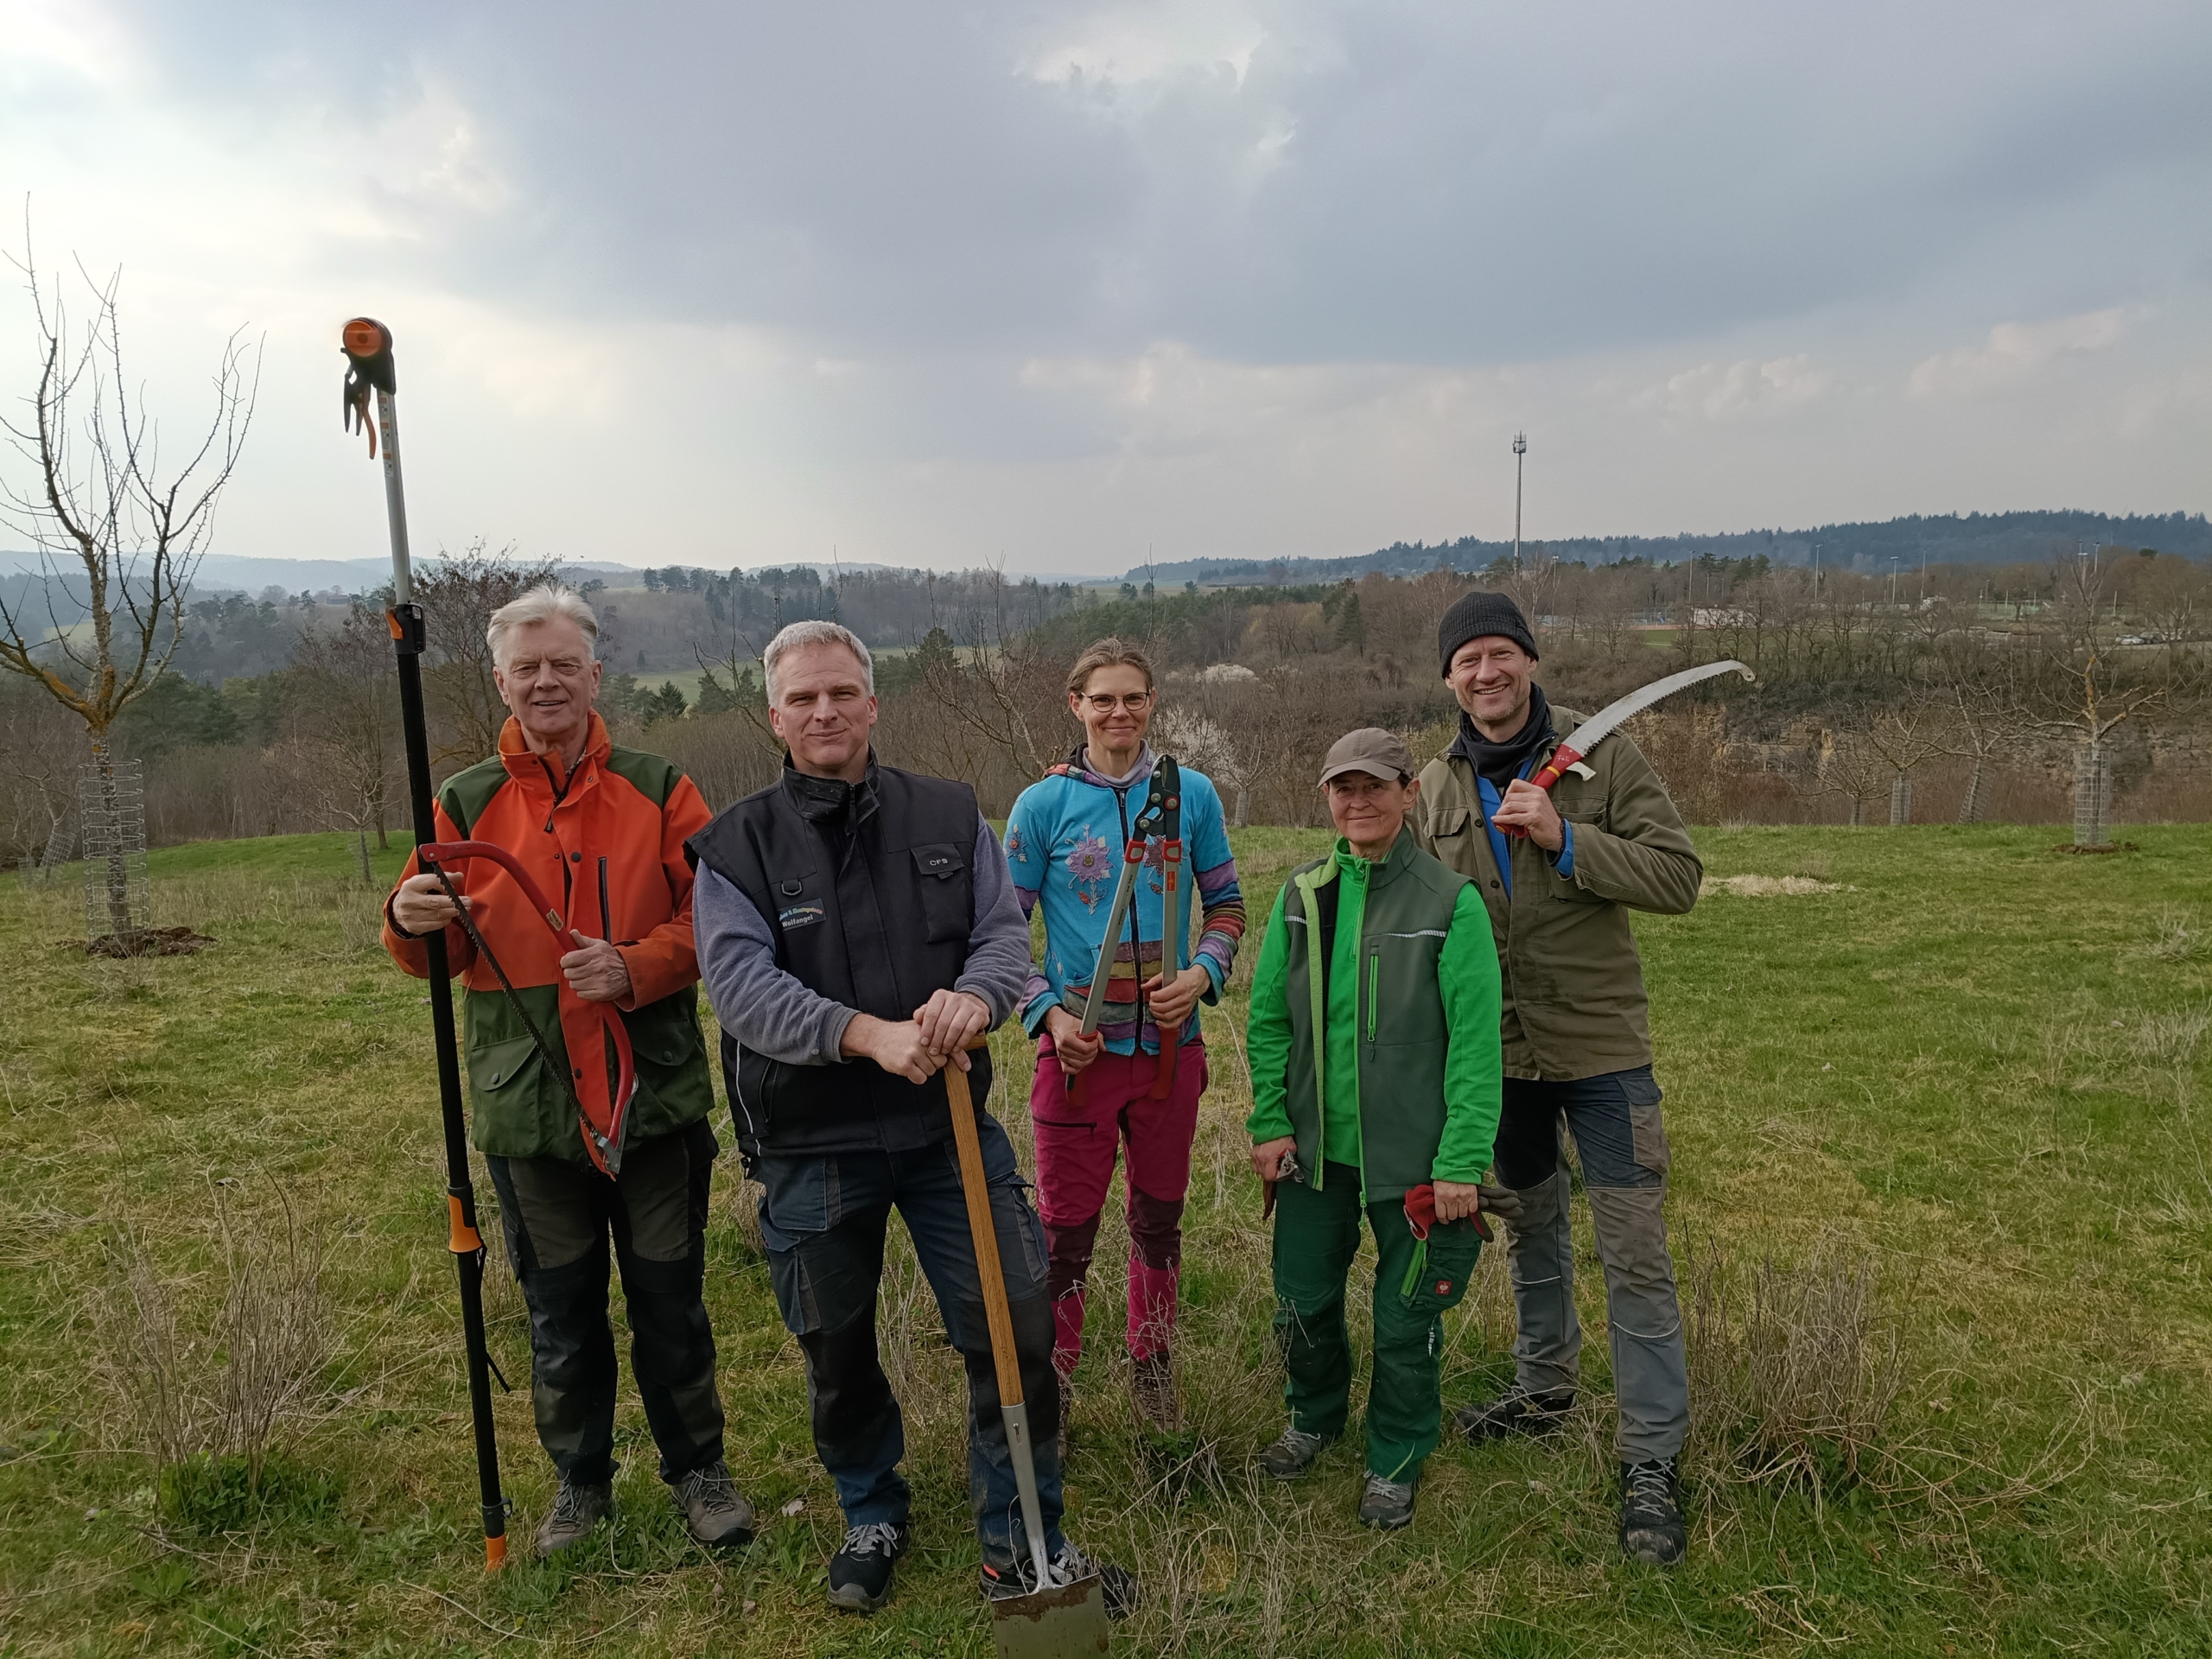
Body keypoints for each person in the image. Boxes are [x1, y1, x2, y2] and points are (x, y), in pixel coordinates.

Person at [686, 620, 1134, 1618]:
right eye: (803, 699)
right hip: (811, 1141)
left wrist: (976, 999)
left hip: (945, 1137)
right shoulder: (735, 847)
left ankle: (1019, 1539)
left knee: (1013, 1326)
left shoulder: (949, 815)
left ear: (873, 703)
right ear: (775, 716)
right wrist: (867, 1037)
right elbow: (743, 991)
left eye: (842, 693)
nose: (825, 712)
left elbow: (1002, 937)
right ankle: (870, 1509)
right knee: (836, 1346)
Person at [382, 583, 750, 1559]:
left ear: (595, 672)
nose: (546, 682)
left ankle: (699, 1471)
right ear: (499, 680)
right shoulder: (461, 799)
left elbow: (714, 924)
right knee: (561, 1308)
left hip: (650, 1092)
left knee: (671, 1297)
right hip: (526, 1103)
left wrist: (638, 967)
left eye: (563, 664)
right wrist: (407, 923)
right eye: (526, 667)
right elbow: (439, 958)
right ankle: (580, 1484)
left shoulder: (660, 783)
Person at [1414, 590, 1703, 1567]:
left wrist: (1564, 839)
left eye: (1500, 655)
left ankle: (1651, 1456)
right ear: (1448, 678)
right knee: (1530, 1227)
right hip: (1500, 1056)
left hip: (1600, 1052)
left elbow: (1679, 878)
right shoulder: (1434, 789)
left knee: (1632, 1252)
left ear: (1528, 662)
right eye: (1467, 662)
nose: (1485, 675)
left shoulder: (1602, 759)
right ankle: (1544, 1390)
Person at [1244, 728, 1503, 1530]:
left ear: (1407, 793)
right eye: (1341, 789)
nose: (1357, 803)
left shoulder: (1449, 902)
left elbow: (1475, 1045)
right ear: (1326, 797)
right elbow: (1267, 1022)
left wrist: (1461, 1157)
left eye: (1374, 787)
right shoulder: (1302, 894)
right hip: (1316, 1155)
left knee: (1406, 1315)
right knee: (1303, 1302)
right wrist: (1270, 1120)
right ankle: (1314, 1417)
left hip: (1416, 1161)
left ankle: (1396, 1455)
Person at [1002, 638, 1245, 1433]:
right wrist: (1050, 1015)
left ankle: (1152, 1364)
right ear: (1076, 705)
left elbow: (1229, 906)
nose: (1119, 713)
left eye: (1133, 698)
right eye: (1102, 699)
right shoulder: (1042, 807)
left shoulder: (1192, 796)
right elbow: (1003, 937)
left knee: (1158, 1218)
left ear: (1152, 703)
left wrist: (1202, 975)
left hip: (1172, 1056)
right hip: (1079, 1058)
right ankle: (1056, 1387)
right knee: (1066, 1234)